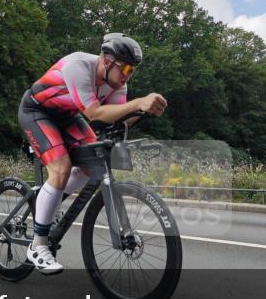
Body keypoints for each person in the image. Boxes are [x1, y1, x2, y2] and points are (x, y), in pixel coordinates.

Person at [18, 33, 167, 274]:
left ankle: (48, 199)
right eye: (126, 68)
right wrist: (138, 102)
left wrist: (146, 111)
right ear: (107, 61)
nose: (128, 75)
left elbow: (117, 118)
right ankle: (38, 245)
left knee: (91, 165)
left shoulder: (119, 84)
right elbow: (96, 114)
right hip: (37, 111)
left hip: (67, 116)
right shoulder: (79, 66)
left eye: (133, 70)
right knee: (61, 168)